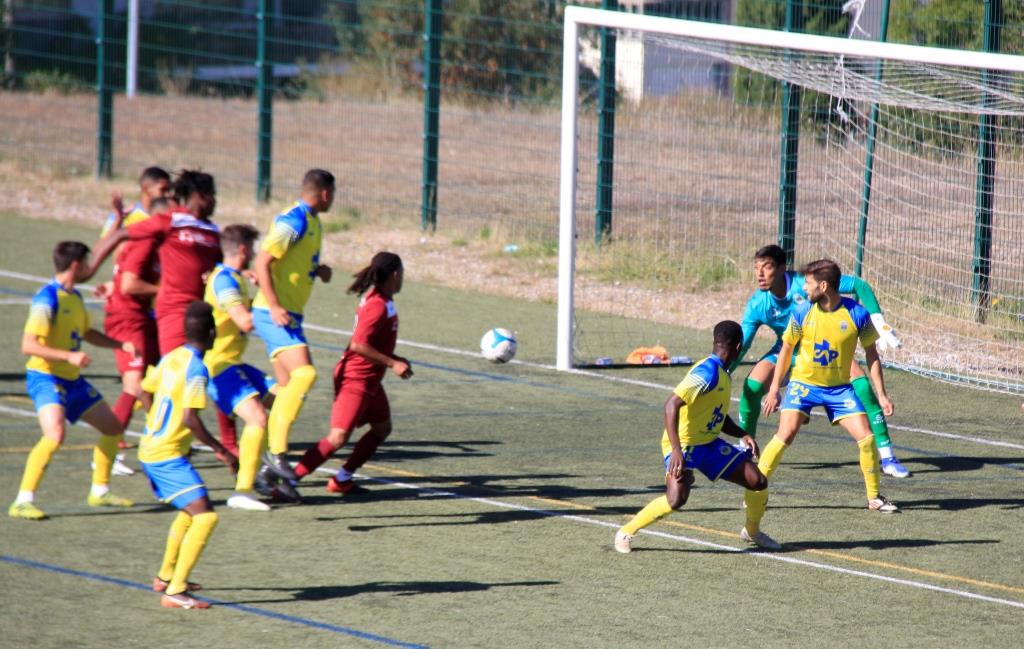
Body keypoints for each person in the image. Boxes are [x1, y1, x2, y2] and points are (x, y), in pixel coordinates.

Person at [745, 259, 898, 541]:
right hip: (803, 385)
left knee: (866, 439)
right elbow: (786, 351)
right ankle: (754, 488)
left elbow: (872, 355)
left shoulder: (858, 315)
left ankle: (874, 497)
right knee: (785, 434)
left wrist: (882, 394)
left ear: (824, 286)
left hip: (839, 389)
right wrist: (775, 388)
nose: (803, 288)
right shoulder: (802, 311)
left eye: (809, 283)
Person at [733, 245, 911, 479]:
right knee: (751, 387)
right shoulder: (758, 303)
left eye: (766, 267)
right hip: (788, 351)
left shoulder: (806, 283)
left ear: (782, 268)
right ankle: (747, 447)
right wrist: (725, 369)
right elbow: (744, 343)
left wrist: (877, 318)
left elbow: (859, 285)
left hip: (827, 351)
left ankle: (887, 457)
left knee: (863, 387)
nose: (759, 274)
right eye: (756, 268)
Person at [92, 171, 238, 454]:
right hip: (171, 316)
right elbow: (123, 241)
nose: (214, 202)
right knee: (171, 381)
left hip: (201, 317)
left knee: (207, 374)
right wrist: (90, 268)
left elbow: (219, 268)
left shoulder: (211, 231)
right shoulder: (170, 221)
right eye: (211, 196)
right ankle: (153, 445)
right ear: (199, 196)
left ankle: (223, 443)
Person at [614, 321, 780, 553]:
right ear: (739, 347)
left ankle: (752, 531)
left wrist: (742, 434)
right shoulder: (707, 372)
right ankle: (625, 532)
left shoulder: (722, 373)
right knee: (676, 499)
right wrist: (676, 451)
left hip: (708, 443)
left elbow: (717, 416)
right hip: (683, 444)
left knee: (757, 481)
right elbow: (671, 405)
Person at [8, 241, 137, 520]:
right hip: (46, 377)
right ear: (77, 265)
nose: (91, 269)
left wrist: (118, 344)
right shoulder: (47, 299)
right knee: (55, 435)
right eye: (88, 263)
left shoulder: (75, 298)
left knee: (113, 428)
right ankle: (22, 500)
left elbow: (86, 332)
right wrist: (68, 356)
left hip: (72, 379)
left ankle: (100, 491)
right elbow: (28, 345)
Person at [287, 252, 412, 498]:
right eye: (403, 273)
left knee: (381, 429)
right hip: (356, 378)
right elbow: (358, 344)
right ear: (396, 274)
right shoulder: (377, 305)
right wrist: (392, 363)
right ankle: (289, 481)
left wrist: (394, 359)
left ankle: (342, 479)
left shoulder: (382, 299)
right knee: (338, 436)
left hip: (371, 380)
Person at [138, 301, 237, 609]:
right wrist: (224, 452)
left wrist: (156, 425)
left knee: (189, 510)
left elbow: (144, 389)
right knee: (206, 516)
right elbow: (190, 419)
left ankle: (166, 577)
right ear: (212, 332)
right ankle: (176, 591)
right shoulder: (197, 368)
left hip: (154, 448)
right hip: (165, 455)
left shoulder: (172, 357)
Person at [251, 169, 335, 481]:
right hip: (273, 313)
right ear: (325, 193)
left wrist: (317, 270)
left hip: (288, 314)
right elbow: (262, 262)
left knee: (287, 388)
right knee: (306, 374)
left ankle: (263, 461)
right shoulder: (293, 220)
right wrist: (273, 305)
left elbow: (294, 263)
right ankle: (277, 454)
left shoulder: (313, 221)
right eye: (333, 195)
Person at [203, 224, 282, 511]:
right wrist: (270, 307)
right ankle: (243, 490)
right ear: (244, 250)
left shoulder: (231, 277)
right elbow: (244, 322)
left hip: (232, 363)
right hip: (218, 366)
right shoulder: (224, 282)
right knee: (258, 418)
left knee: (282, 396)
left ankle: (262, 467)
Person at [94, 194, 174, 476]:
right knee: (134, 384)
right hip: (128, 320)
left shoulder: (157, 244)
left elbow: (123, 274)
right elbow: (129, 284)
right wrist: (165, 292)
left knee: (157, 377)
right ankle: (108, 453)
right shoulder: (145, 243)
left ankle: (159, 437)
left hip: (142, 318)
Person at [99, 166, 172, 239]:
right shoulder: (124, 216)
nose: (168, 195)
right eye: (163, 190)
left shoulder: (170, 217)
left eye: (169, 190)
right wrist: (119, 219)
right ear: (146, 187)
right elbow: (103, 244)